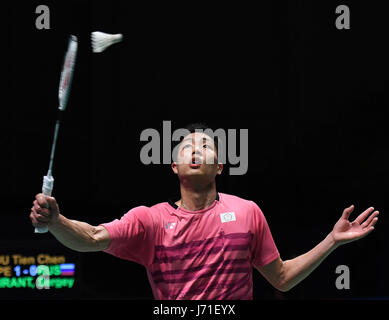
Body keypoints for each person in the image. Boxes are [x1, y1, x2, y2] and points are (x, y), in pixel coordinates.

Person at [30, 123, 379, 300]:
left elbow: (282, 279)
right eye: (186, 146)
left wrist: (332, 241)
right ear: (174, 167)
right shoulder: (150, 220)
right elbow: (91, 237)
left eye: (206, 145)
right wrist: (57, 221)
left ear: (220, 168)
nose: (195, 149)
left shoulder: (247, 213)